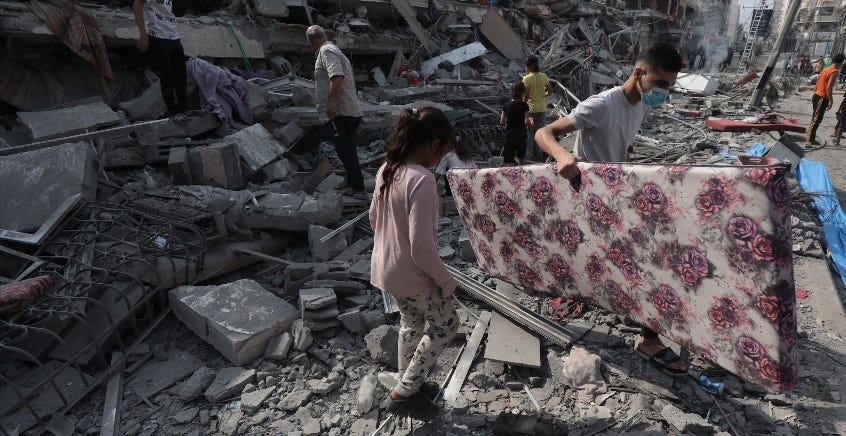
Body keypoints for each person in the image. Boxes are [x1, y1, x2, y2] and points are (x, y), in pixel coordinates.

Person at [535, 42, 689, 377]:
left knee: (632, 261)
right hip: (591, 200)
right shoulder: (603, 104)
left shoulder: (640, 106)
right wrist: (562, 155)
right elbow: (544, 132)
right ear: (639, 72)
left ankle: (621, 306)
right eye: (661, 83)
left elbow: (624, 146)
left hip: (616, 198)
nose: (665, 92)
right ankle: (649, 339)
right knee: (642, 263)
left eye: (670, 86)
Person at [369, 107, 459, 417]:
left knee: (411, 324)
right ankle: (403, 392)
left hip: (386, 270)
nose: (442, 158)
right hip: (413, 274)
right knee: (447, 325)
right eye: (443, 151)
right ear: (434, 145)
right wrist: (446, 281)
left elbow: (373, 219)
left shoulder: (387, 169)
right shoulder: (423, 181)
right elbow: (422, 247)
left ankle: (412, 383)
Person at [306, 25, 366, 198]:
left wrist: (331, 102)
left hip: (343, 112)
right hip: (346, 112)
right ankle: (351, 182)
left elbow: (337, 76)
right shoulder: (332, 49)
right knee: (343, 149)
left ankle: (358, 189)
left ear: (311, 41)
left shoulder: (326, 51)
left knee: (346, 150)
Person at [133, 0, 188, 116]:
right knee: (166, 77)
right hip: (156, 36)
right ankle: (174, 113)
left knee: (181, 76)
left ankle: (185, 111)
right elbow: (137, 6)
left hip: (173, 35)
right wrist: (143, 34)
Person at [806, 52, 844, 146]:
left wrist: (815, 92)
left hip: (817, 96)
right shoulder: (834, 71)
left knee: (816, 119)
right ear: (840, 62)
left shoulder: (825, 69)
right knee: (816, 119)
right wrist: (831, 101)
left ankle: (811, 138)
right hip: (822, 98)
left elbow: (818, 81)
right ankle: (809, 140)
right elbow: (829, 88)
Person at [523, 55, 553, 161]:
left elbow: (526, 95)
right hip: (542, 108)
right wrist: (543, 95)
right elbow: (550, 91)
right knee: (539, 132)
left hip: (531, 108)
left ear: (529, 67)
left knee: (530, 132)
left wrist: (522, 105)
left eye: (526, 66)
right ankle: (538, 154)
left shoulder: (526, 78)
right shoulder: (543, 76)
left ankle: (529, 155)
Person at [500, 81, 533, 165]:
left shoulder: (506, 105)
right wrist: (531, 123)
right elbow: (526, 121)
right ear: (523, 93)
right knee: (522, 159)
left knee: (509, 162)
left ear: (512, 92)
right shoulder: (525, 106)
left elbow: (502, 122)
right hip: (521, 136)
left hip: (509, 135)